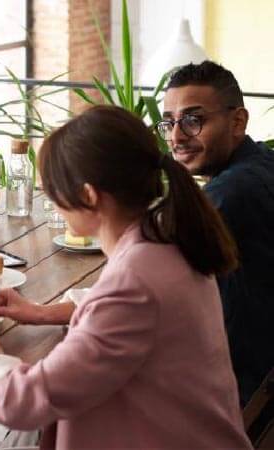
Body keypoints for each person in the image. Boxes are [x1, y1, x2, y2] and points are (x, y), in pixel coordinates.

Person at [0, 105, 251, 448]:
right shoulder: (168, 240)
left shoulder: (134, 283)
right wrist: (41, 312)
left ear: (89, 195)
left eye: (53, 190)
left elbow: (21, 403)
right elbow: (131, 319)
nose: (52, 201)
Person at [160, 60, 274, 406]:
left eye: (193, 121)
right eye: (169, 122)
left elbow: (149, 281)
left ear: (237, 121)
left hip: (232, 390)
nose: (177, 136)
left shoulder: (230, 193)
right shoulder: (260, 165)